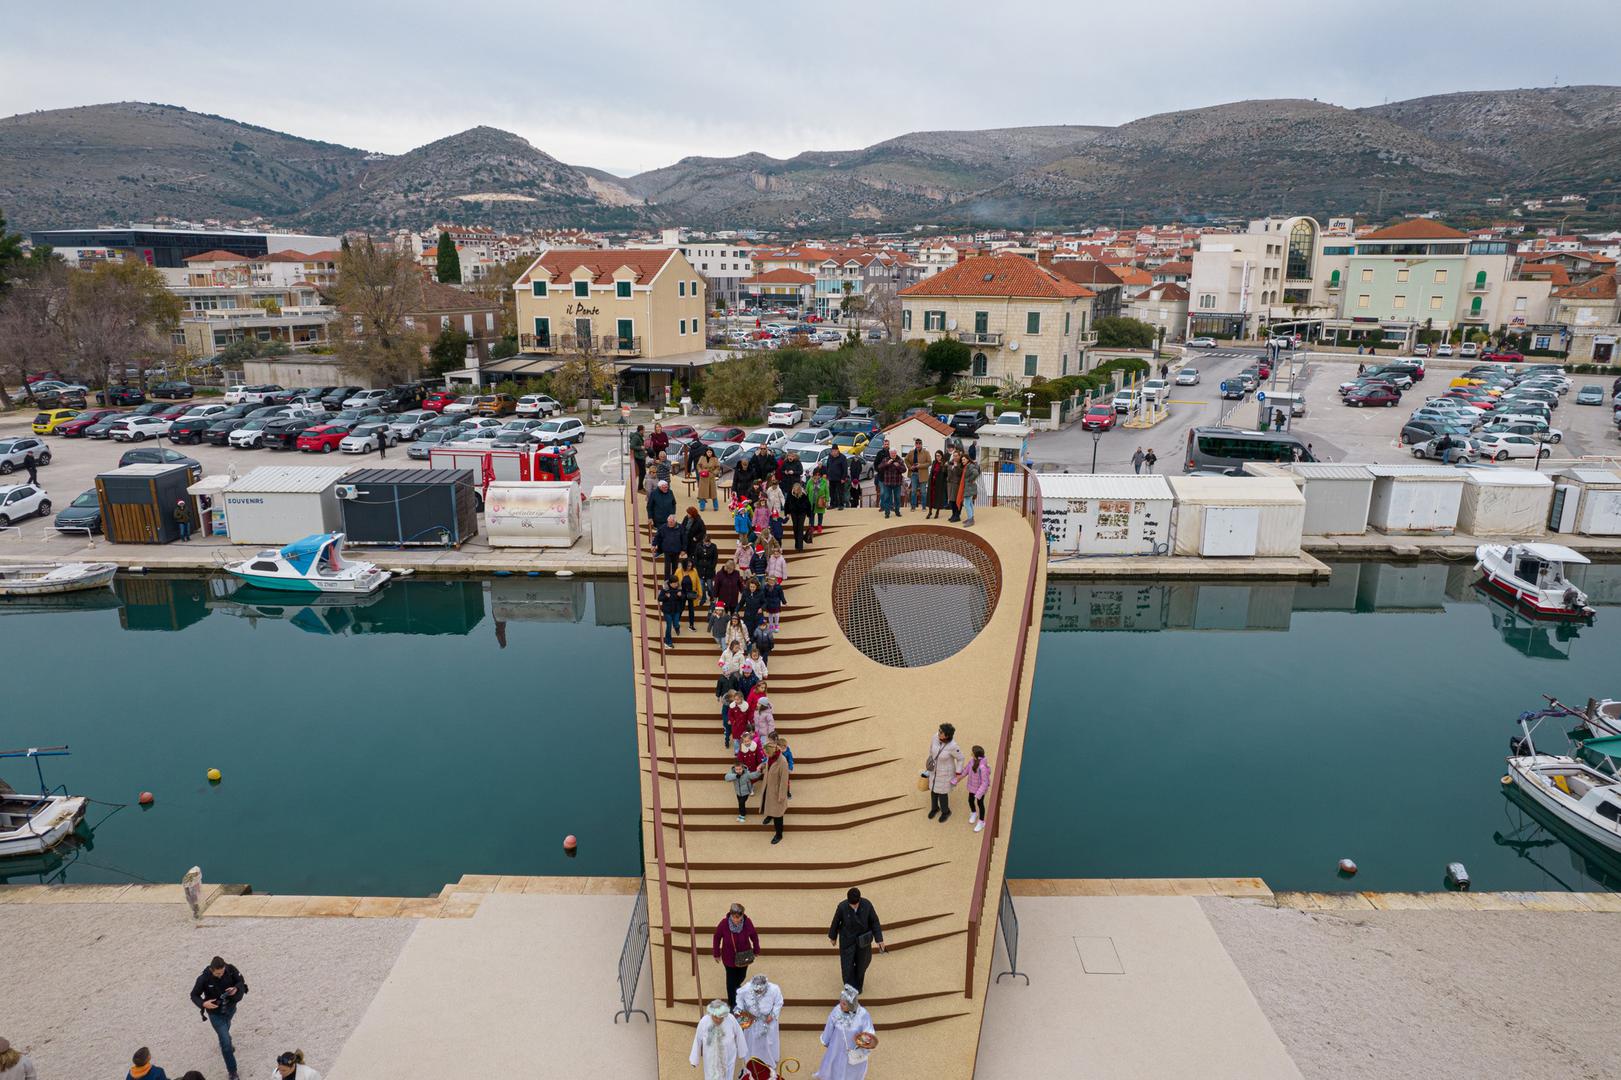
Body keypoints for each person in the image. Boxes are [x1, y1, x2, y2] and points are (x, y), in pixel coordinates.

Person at [190, 954, 247, 1080]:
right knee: (226, 1044)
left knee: (226, 1030)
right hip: (215, 1014)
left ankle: (225, 1037)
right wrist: (204, 1003)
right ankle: (233, 1072)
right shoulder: (203, 979)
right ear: (211, 970)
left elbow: (240, 981)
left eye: (222, 972)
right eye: (217, 974)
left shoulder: (230, 969)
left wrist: (235, 989)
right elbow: (194, 995)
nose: (220, 975)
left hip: (230, 1008)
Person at [827, 888, 885, 993]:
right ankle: (850, 989)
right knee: (847, 966)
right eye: (852, 905)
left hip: (863, 941)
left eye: (856, 904)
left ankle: (858, 985)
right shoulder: (842, 907)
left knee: (863, 964)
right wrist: (833, 936)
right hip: (847, 940)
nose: (854, 906)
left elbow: (874, 922)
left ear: (860, 900)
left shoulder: (867, 905)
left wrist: (879, 939)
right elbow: (835, 922)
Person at [814, 985, 877, 1080]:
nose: (840, 1005)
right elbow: (830, 1026)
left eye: (844, 1004)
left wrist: (863, 1046)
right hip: (836, 1047)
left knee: (851, 1068)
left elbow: (869, 1033)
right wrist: (826, 1040)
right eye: (840, 1002)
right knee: (835, 1065)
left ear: (851, 1004)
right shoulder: (836, 1010)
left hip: (853, 1049)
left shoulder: (863, 1015)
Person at [711, 904, 761, 1007]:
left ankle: (736, 987)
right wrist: (716, 953)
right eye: (734, 917)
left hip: (744, 957)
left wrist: (756, 949)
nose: (736, 920)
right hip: (728, 958)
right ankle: (733, 1004)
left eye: (738, 917)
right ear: (731, 915)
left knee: (741, 977)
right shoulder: (724, 924)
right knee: (730, 983)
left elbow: (754, 936)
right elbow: (717, 938)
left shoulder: (747, 923)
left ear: (742, 915)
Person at [689, 1000, 748, 1080]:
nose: (718, 1020)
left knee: (727, 1075)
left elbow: (739, 1034)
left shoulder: (731, 1019)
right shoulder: (704, 1021)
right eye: (716, 1017)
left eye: (721, 1017)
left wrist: (742, 1053)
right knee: (711, 1075)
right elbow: (697, 1040)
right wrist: (694, 1059)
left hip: (728, 1055)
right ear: (711, 1014)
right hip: (710, 1057)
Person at [735, 972, 784, 1068]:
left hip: (768, 1020)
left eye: (761, 991)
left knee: (769, 1041)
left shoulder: (774, 989)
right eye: (756, 991)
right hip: (751, 1020)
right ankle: (752, 1059)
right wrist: (740, 1010)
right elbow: (739, 998)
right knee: (751, 1040)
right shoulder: (746, 988)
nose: (759, 993)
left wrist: (773, 1014)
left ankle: (768, 1059)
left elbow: (779, 1002)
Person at [924, 722, 966, 823]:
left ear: (947, 735)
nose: (938, 732)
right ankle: (935, 808)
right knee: (933, 790)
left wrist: (958, 772)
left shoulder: (953, 746)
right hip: (934, 770)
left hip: (945, 773)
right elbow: (931, 749)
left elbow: (961, 758)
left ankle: (946, 812)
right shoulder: (935, 737)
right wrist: (930, 763)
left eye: (941, 732)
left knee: (942, 794)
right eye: (939, 730)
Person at [955, 745, 993, 833]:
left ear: (975, 754)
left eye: (972, 752)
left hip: (980, 789)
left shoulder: (982, 768)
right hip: (972, 787)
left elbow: (985, 782)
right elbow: (965, 771)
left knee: (980, 804)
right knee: (970, 800)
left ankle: (981, 821)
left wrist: (979, 794)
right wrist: (955, 780)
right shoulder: (971, 762)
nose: (971, 753)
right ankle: (973, 813)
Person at [761, 739, 790, 845]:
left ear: (772, 751)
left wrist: (781, 796)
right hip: (768, 786)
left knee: (778, 814)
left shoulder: (783, 762)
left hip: (777, 791)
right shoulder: (770, 756)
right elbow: (768, 766)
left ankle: (779, 834)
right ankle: (769, 815)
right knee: (768, 804)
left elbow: (784, 780)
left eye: (766, 753)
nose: (765, 755)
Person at [725, 743, 763, 824]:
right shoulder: (733, 774)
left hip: (746, 792)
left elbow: (753, 775)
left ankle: (742, 815)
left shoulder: (746, 774)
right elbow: (727, 777)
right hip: (738, 792)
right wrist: (735, 776)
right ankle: (742, 813)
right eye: (737, 769)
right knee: (740, 803)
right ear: (734, 769)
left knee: (742, 802)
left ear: (742, 768)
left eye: (740, 769)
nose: (738, 771)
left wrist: (759, 772)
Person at [876, 449, 906, 518]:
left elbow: (904, 470)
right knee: (887, 498)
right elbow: (879, 468)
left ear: (896, 453)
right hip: (887, 483)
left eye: (894, 453)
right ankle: (887, 513)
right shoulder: (885, 459)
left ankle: (897, 511)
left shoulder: (900, 460)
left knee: (897, 498)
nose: (893, 454)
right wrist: (887, 463)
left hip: (897, 483)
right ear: (890, 453)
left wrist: (898, 466)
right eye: (892, 453)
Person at [655, 513, 685, 579]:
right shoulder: (663, 527)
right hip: (667, 550)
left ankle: (674, 581)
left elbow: (684, 539)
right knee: (667, 568)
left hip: (676, 551)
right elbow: (657, 536)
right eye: (669, 522)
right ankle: (666, 582)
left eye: (672, 522)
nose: (670, 523)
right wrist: (654, 544)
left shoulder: (680, 527)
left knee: (675, 568)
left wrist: (684, 549)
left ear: (675, 522)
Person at [675, 556, 702, 630]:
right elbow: (674, 582)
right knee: (681, 608)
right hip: (682, 593)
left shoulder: (694, 571)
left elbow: (698, 582)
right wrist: (676, 592)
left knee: (691, 609)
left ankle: (691, 625)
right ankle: (676, 622)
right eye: (688, 565)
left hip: (691, 593)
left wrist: (700, 593)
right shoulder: (678, 571)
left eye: (690, 565)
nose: (689, 567)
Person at [785, 482, 812, 551]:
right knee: (795, 527)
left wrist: (809, 514)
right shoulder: (790, 494)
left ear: (799, 489)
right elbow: (787, 503)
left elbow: (808, 504)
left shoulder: (804, 494)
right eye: (794, 489)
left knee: (800, 527)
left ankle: (800, 547)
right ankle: (797, 543)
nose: (795, 491)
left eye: (797, 490)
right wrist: (787, 513)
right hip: (793, 512)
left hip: (802, 512)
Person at [658, 577, 685, 647]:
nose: (676, 584)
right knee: (669, 626)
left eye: (677, 583)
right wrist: (666, 597)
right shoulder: (665, 589)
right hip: (667, 611)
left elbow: (683, 597)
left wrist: (680, 596)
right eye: (675, 583)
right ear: (670, 583)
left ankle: (677, 627)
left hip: (676, 610)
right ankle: (668, 642)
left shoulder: (679, 589)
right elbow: (659, 598)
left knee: (676, 624)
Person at [905, 439, 929, 512]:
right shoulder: (911, 452)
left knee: (923, 492)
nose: (918, 445)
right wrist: (910, 467)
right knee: (913, 491)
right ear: (915, 444)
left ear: (921, 444)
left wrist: (920, 465)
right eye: (917, 444)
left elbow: (929, 463)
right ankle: (913, 507)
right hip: (914, 474)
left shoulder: (926, 452)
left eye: (919, 444)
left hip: (923, 475)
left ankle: (924, 507)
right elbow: (906, 460)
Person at [959, 454, 981, 527]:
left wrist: (970, 480)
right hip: (969, 487)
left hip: (969, 487)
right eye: (962, 460)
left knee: (966, 504)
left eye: (964, 459)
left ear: (968, 459)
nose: (962, 461)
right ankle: (970, 518)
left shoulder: (970, 466)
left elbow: (976, 473)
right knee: (970, 503)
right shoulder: (968, 466)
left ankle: (970, 520)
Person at [808, 468, 830, 535]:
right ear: (813, 475)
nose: (817, 476)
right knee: (811, 515)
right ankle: (811, 526)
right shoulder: (810, 481)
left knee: (820, 514)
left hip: (820, 500)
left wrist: (827, 500)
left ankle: (819, 526)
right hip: (812, 501)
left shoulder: (823, 481)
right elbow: (807, 490)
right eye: (815, 475)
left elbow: (827, 491)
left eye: (818, 475)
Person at [926, 451, 947, 519]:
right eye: (936, 456)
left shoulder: (944, 463)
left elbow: (945, 473)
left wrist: (943, 466)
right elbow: (932, 471)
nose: (937, 457)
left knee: (938, 497)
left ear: (941, 456)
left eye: (939, 456)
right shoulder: (934, 462)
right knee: (931, 497)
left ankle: (937, 512)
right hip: (932, 482)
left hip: (940, 483)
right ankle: (930, 512)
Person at [944, 452, 963, 522]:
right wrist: (946, 466)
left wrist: (956, 466)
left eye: (956, 456)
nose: (955, 457)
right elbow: (946, 472)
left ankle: (957, 515)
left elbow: (960, 473)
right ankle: (953, 514)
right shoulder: (950, 463)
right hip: (950, 484)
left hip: (956, 484)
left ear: (959, 456)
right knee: (951, 501)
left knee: (956, 501)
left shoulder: (961, 464)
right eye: (954, 456)